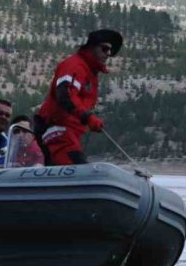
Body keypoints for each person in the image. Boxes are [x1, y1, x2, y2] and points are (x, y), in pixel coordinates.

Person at [36, 29, 122, 165]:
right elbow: (64, 94)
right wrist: (87, 117)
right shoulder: (74, 65)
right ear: (92, 47)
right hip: (56, 129)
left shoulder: (90, 72)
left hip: (70, 134)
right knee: (77, 169)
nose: (108, 54)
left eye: (110, 51)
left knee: (77, 167)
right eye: (105, 49)